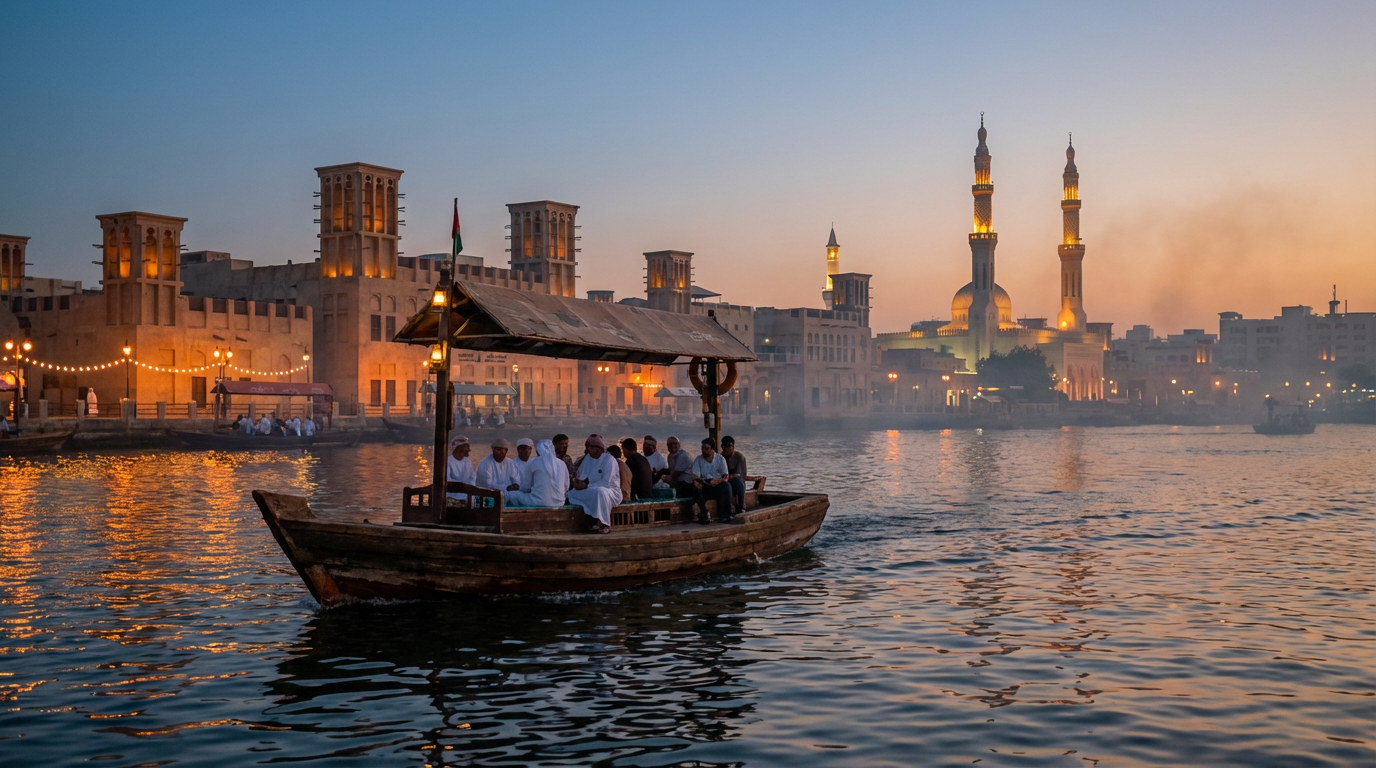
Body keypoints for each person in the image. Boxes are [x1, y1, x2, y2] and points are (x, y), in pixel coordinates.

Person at [567, 435, 622, 533]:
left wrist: (586, 485)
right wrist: (579, 483)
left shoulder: (609, 459)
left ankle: (605, 524)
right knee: (571, 494)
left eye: (593, 447)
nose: (591, 450)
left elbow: (606, 482)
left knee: (600, 492)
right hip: (590, 489)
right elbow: (582, 476)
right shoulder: (586, 459)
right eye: (589, 447)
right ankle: (594, 522)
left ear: (600, 448)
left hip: (610, 491)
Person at [506, 439, 570, 508]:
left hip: (538, 501)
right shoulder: (562, 463)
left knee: (512, 494)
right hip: (559, 503)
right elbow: (566, 486)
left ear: (538, 451)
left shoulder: (534, 462)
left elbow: (526, 486)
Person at [690, 437, 733, 524]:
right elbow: (696, 476)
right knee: (695, 488)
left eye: (706, 448)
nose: (704, 450)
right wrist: (703, 482)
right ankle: (704, 513)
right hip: (704, 484)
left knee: (726, 486)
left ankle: (725, 515)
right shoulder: (698, 459)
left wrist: (717, 481)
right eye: (702, 448)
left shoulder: (720, 459)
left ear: (713, 449)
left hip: (718, 484)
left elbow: (725, 476)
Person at [721, 435, 748, 516]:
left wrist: (728, 476)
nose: (726, 448)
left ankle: (742, 507)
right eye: (724, 446)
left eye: (729, 445)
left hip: (737, 484)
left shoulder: (739, 457)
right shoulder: (720, 457)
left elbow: (739, 474)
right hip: (724, 481)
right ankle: (725, 512)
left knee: (738, 480)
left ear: (733, 446)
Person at [446, 435, 476, 504]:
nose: (469, 450)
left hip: (467, 497)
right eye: (466, 447)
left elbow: (473, 478)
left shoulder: (468, 462)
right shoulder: (448, 461)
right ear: (459, 448)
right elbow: (447, 480)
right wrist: (462, 486)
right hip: (451, 498)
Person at [664, 435, 696, 499]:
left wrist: (663, 477)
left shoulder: (683, 456)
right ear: (667, 446)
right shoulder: (670, 456)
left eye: (675, 444)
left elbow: (674, 476)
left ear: (679, 445)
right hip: (678, 483)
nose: (672, 446)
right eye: (670, 444)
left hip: (687, 484)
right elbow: (671, 472)